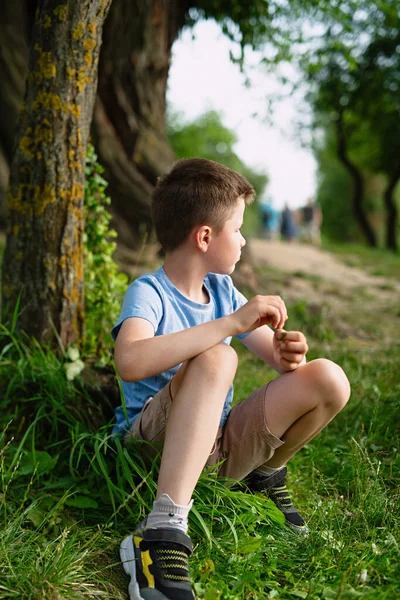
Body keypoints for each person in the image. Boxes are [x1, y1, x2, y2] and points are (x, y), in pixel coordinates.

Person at [112, 158, 350, 600]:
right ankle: (162, 529)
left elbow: (281, 363)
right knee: (217, 359)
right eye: (238, 229)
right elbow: (129, 361)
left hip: (217, 449)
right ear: (205, 236)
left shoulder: (223, 292)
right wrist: (229, 326)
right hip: (153, 447)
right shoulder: (149, 292)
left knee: (329, 379)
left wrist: (287, 353)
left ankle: (265, 474)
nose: (243, 240)